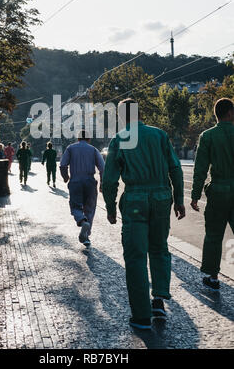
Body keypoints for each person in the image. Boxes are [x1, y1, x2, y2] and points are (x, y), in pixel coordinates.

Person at [102, 98, 185, 331]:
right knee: (159, 249)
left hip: (135, 200)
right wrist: (179, 200)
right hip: (161, 198)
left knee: (136, 257)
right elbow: (175, 168)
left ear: (120, 116)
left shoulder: (120, 138)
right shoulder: (159, 135)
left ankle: (141, 316)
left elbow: (109, 180)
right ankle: (158, 299)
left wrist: (110, 208)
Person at [191, 97, 234, 290]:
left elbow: (200, 168)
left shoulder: (207, 136)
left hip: (217, 191)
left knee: (214, 235)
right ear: (230, 113)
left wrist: (194, 195)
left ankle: (213, 276)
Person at [60, 130, 104, 248]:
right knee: (89, 209)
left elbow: (63, 165)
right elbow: (102, 167)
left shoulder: (70, 148)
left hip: (75, 182)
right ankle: (86, 236)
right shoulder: (93, 149)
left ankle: (82, 221)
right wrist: (102, 184)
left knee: (75, 206)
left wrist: (66, 177)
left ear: (78, 138)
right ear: (89, 139)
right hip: (90, 182)